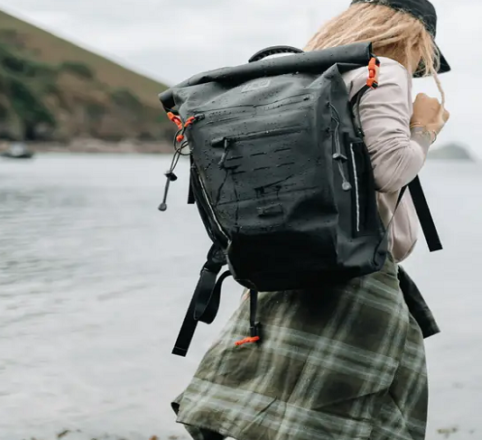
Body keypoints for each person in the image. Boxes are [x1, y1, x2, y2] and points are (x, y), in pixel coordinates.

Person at [171, 1, 451, 439]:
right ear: (414, 38)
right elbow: (391, 168)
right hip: (355, 280)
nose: (417, 67)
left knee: (264, 417)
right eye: (424, 57)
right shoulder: (383, 70)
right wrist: (425, 128)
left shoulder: (297, 78)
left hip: (280, 274)